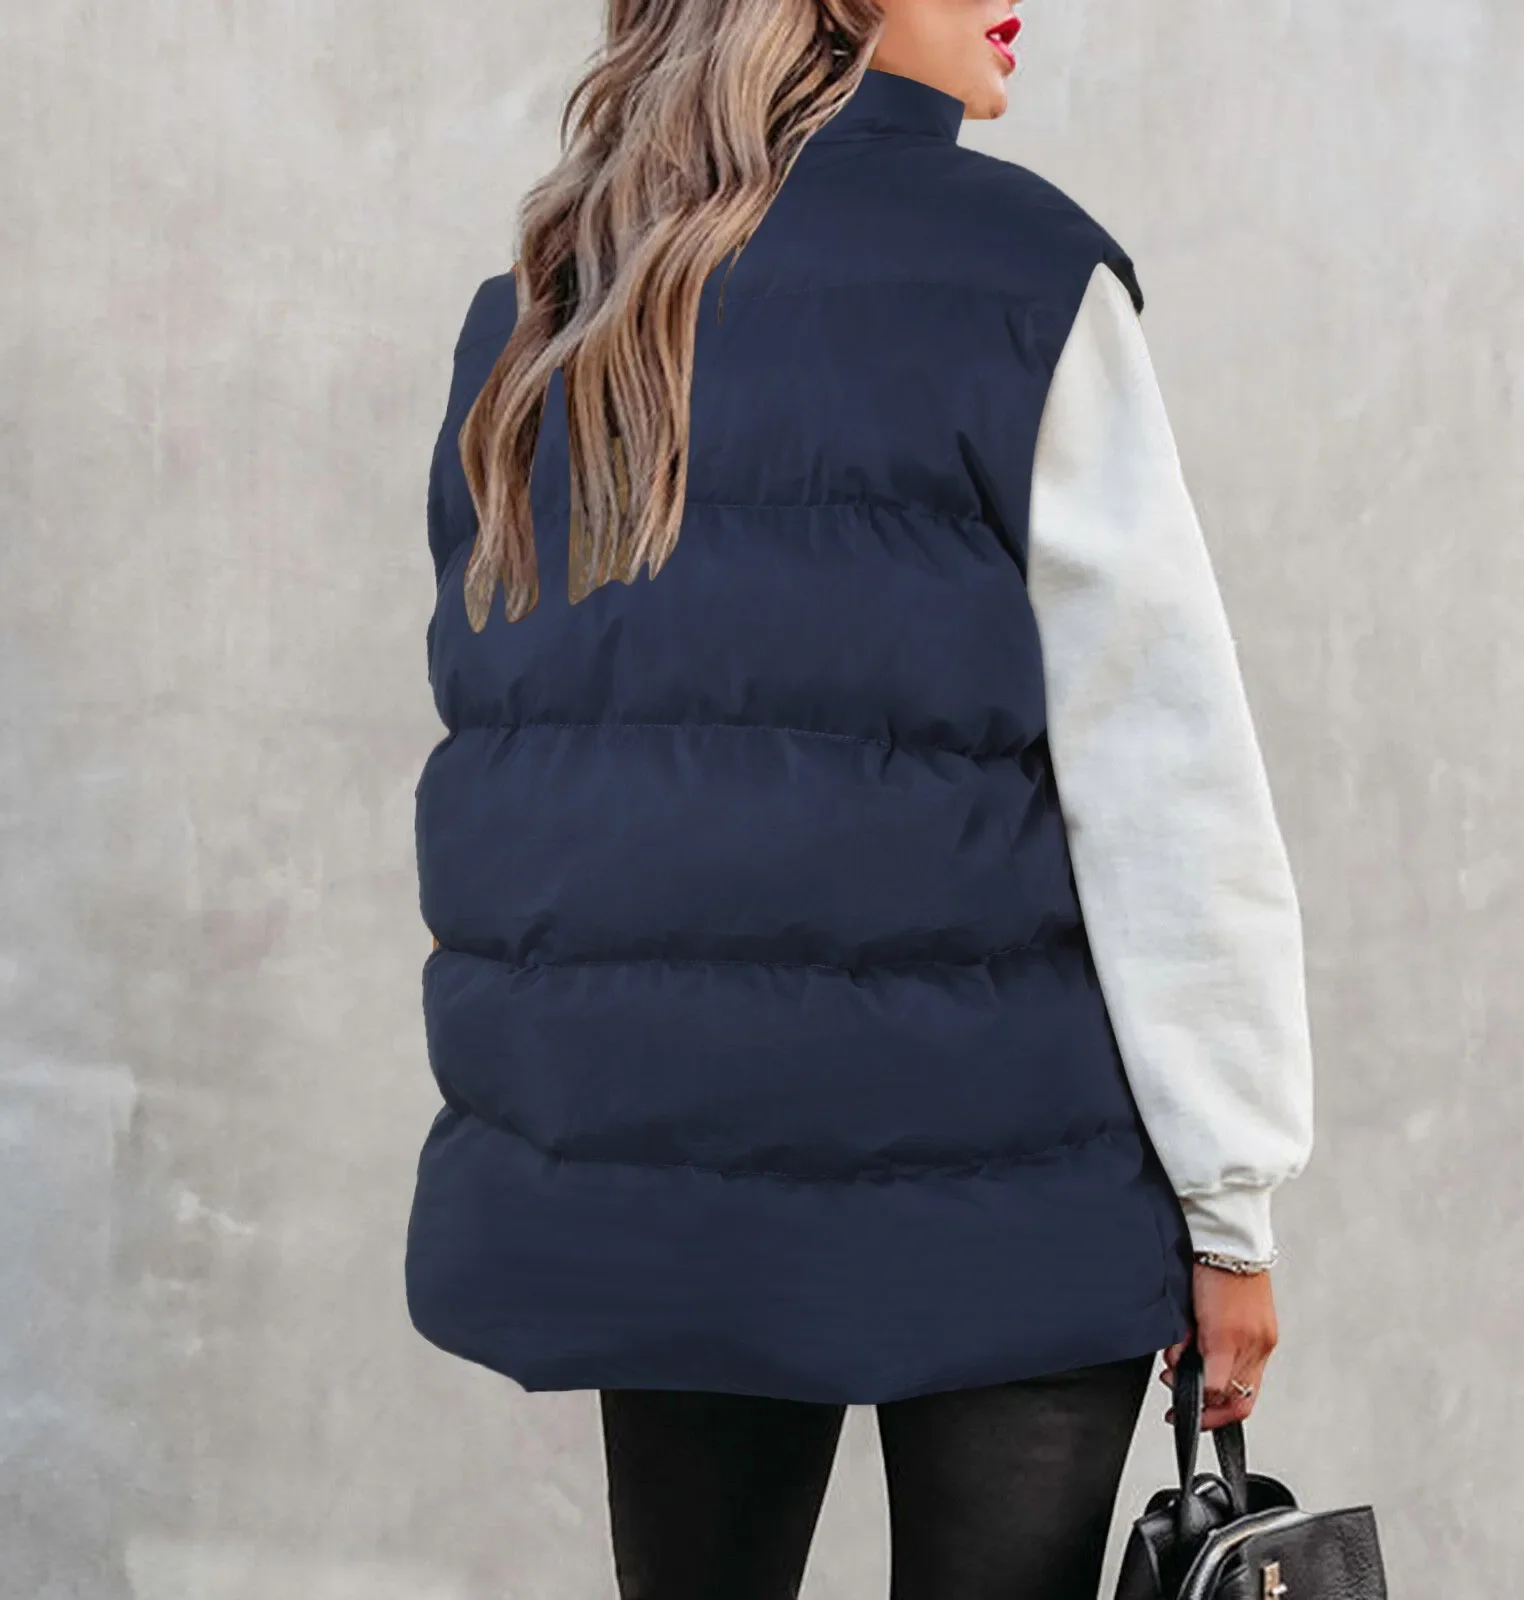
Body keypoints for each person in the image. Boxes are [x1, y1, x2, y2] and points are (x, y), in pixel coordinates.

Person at [405, 2, 1315, 1595]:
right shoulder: (1022, 278)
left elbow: (529, 772)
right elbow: (1163, 773)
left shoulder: (559, 302)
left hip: (666, 1172)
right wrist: (1229, 1206)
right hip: (1006, 1178)